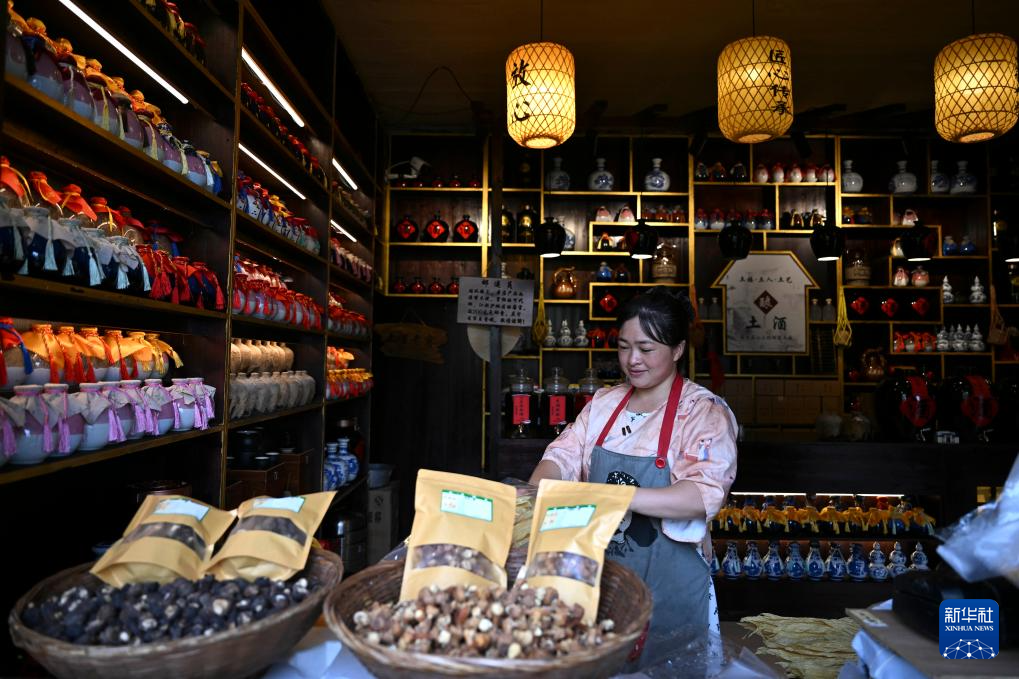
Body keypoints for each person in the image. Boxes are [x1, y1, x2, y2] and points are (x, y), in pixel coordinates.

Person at [529, 288, 738, 669]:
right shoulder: (604, 404)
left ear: (677, 349)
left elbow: (702, 492)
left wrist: (613, 498)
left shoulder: (702, 411)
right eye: (624, 347)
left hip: (670, 588)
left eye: (646, 348)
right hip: (602, 585)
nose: (632, 360)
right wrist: (536, 493)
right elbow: (561, 457)